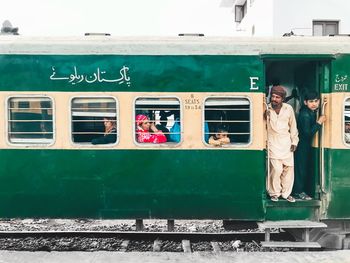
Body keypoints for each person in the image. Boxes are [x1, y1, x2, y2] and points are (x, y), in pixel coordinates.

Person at [265, 85, 299, 202]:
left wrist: (294, 141)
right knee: (276, 169)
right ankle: (274, 193)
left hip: (286, 142)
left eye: (277, 97)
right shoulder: (266, 109)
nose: (274, 99)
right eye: (273, 96)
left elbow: (293, 126)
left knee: (288, 170)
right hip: (272, 142)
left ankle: (286, 194)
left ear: (282, 99)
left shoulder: (288, 109)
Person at [293, 91, 326, 200]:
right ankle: (298, 192)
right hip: (302, 145)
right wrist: (319, 123)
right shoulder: (305, 115)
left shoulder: (308, 111)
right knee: (301, 168)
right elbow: (307, 134)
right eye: (311, 101)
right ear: (305, 102)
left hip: (304, 145)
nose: (314, 104)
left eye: (316, 101)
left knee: (302, 167)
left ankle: (299, 190)